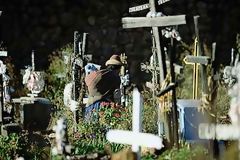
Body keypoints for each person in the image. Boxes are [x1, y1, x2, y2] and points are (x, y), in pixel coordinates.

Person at [84, 54, 123, 120]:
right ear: (118, 68)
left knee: (91, 127)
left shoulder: (101, 74)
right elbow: (117, 95)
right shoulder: (115, 77)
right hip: (104, 107)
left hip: (90, 107)